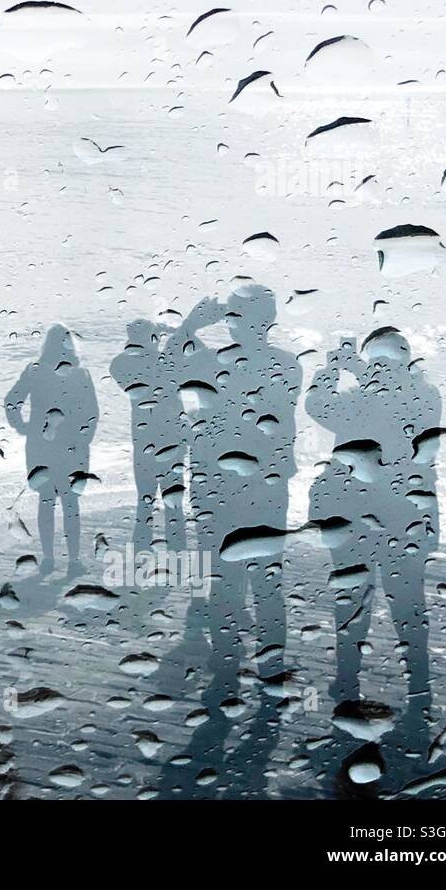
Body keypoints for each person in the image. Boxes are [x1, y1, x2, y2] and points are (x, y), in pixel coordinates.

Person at [168, 286, 299, 701]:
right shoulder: (287, 364)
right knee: (266, 577)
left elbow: (167, 365)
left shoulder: (211, 361)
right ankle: (271, 668)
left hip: (215, 482)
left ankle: (225, 668)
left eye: (233, 316)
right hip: (267, 482)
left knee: (224, 579)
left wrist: (191, 323)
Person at [305, 330, 439, 715]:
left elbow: (316, 403)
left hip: (352, 512)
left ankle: (347, 680)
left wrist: (335, 365)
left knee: (351, 597)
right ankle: (419, 683)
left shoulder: (356, 402)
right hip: (405, 514)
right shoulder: (427, 398)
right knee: (410, 603)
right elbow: (392, 397)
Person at [4, 325, 99, 577]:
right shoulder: (81, 374)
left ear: (45, 346)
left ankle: (48, 559)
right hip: (72, 446)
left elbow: (11, 401)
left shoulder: (35, 372)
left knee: (46, 500)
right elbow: (92, 413)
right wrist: (84, 439)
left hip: (40, 445)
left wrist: (22, 427)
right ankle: (74, 561)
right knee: (71, 502)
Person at [110, 319, 186, 556]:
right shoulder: (161, 363)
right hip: (171, 439)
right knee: (173, 504)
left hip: (144, 442)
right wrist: (171, 334)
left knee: (144, 502)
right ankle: (177, 555)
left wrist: (151, 339)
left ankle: (141, 554)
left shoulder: (128, 368)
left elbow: (117, 365)